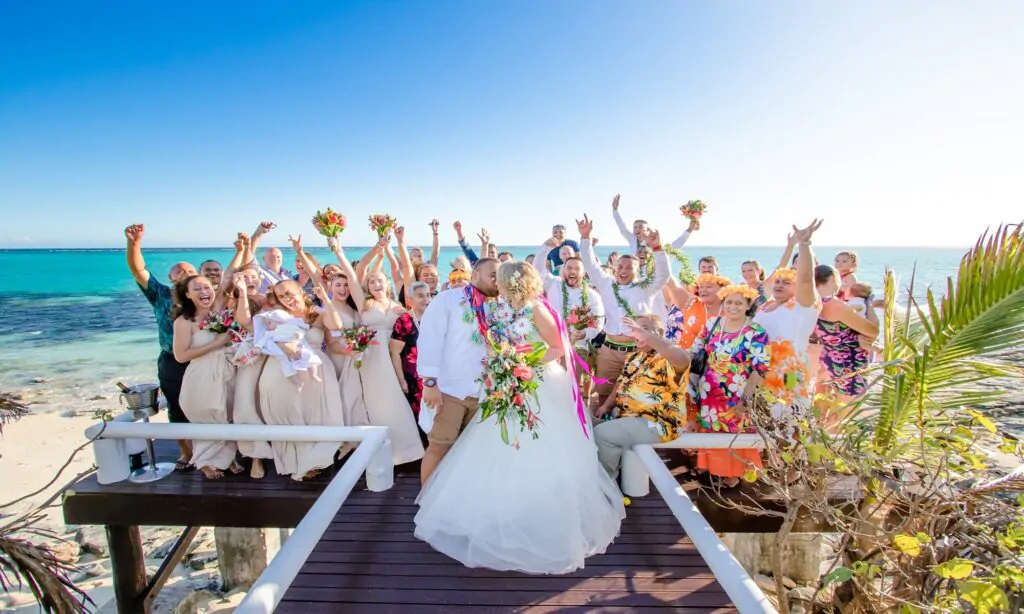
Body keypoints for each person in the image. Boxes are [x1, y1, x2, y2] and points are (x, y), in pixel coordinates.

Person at [414, 261, 625, 574]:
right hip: (503, 384)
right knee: (495, 447)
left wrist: (526, 361)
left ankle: (537, 512)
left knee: (540, 447)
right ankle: (489, 510)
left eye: (500, 279)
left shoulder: (537, 308)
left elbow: (557, 347)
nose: (497, 284)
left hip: (537, 382)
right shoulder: (498, 307)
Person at [416, 257, 502, 484]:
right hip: (449, 390)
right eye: (492, 275)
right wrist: (430, 383)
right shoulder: (447, 300)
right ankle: (425, 502)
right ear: (474, 275)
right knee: (439, 447)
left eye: (500, 276)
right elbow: (429, 340)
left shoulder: (499, 306)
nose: (497, 280)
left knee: (470, 451)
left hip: (484, 391)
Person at [578, 205, 671, 411]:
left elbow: (663, 275)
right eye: (620, 266)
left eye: (629, 267)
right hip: (609, 350)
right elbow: (590, 265)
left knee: (636, 397)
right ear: (614, 268)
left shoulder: (645, 288)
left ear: (638, 271)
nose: (623, 270)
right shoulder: (605, 283)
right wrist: (585, 239)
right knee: (603, 396)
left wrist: (658, 249)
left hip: (637, 351)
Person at [124, 223, 197, 470]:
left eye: (190, 270)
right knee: (176, 409)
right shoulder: (161, 295)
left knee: (207, 405)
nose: (185, 273)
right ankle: (186, 453)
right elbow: (138, 269)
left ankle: (211, 451)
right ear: (171, 278)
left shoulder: (204, 297)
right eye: (180, 271)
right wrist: (135, 243)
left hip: (202, 359)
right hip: (172, 360)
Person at [691, 285, 771, 487]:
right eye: (729, 302)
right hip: (708, 391)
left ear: (748, 305)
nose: (733, 307)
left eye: (738, 303)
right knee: (710, 427)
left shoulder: (756, 332)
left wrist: (746, 398)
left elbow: (759, 369)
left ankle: (734, 473)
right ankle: (710, 466)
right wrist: (691, 386)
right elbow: (696, 353)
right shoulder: (712, 324)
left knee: (735, 431)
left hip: (737, 392)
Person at [594, 315, 691, 480]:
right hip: (629, 417)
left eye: (644, 328)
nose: (637, 333)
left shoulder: (667, 357)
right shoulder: (634, 356)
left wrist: (647, 335)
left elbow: (684, 359)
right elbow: (620, 384)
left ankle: (607, 482)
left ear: (659, 332)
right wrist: (606, 407)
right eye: (635, 329)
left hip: (658, 423)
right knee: (585, 425)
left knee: (602, 434)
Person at [754, 221, 823, 445]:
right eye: (778, 281)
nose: (780, 284)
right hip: (761, 374)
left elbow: (805, 278)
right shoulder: (767, 305)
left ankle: (794, 472)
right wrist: (788, 247)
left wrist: (804, 244)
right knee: (764, 423)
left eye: (787, 282)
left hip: (789, 376)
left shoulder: (802, 306)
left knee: (792, 424)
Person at [172, 274, 241, 479]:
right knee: (206, 415)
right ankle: (204, 461)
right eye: (197, 289)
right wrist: (217, 343)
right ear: (187, 294)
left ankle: (226, 459)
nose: (204, 292)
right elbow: (181, 356)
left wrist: (246, 248)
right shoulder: (184, 321)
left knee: (227, 414)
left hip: (226, 370)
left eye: (207, 287)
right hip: (201, 373)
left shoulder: (217, 312)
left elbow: (228, 276)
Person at [813, 265, 878, 407]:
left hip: (828, 358)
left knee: (822, 410)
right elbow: (873, 331)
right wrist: (869, 305)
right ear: (832, 279)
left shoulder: (812, 302)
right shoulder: (835, 305)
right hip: (848, 364)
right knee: (843, 413)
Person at [391, 281, 433, 446]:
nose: (426, 299)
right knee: (419, 416)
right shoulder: (405, 321)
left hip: (434, 376)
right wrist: (402, 381)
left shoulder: (436, 317)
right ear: (409, 300)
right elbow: (395, 352)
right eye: (420, 296)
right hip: (413, 378)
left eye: (428, 295)